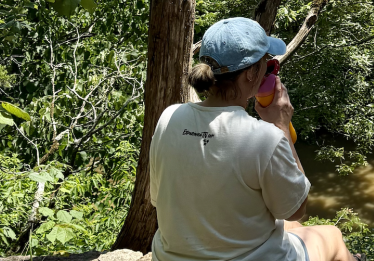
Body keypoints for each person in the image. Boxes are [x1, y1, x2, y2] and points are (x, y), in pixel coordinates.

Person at [149, 17, 361, 261]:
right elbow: (296, 209)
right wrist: (281, 126)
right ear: (251, 73)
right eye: (268, 65)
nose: (270, 70)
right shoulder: (264, 138)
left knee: (291, 229)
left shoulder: (169, 117)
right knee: (332, 235)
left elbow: (158, 198)